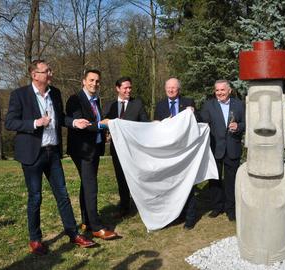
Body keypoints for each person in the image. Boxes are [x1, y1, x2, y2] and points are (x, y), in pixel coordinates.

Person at [5, 60, 96, 255]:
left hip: (52, 152)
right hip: (32, 154)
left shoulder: (55, 93)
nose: (50, 73)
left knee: (62, 195)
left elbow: (60, 117)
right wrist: (36, 123)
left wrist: (74, 122)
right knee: (35, 197)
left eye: (50, 70)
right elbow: (10, 122)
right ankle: (35, 239)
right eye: (46, 71)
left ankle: (73, 233)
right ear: (34, 74)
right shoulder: (19, 95)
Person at [66, 69, 118, 240]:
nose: (94, 83)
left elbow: (94, 123)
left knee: (86, 185)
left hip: (94, 148)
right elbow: (83, 124)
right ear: (83, 81)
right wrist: (102, 125)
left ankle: (86, 221)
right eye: (91, 80)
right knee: (91, 186)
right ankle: (96, 227)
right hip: (82, 150)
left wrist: (104, 131)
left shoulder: (96, 100)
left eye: (97, 81)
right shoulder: (75, 99)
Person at [154, 78, 197, 230]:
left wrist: (192, 113)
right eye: (168, 88)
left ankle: (190, 217)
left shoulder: (188, 102)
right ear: (165, 89)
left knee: (187, 183)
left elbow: (196, 124)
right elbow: (156, 127)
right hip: (168, 153)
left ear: (179, 89)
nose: (171, 90)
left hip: (185, 152)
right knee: (171, 185)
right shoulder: (159, 105)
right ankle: (175, 215)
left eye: (174, 88)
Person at [103, 76, 149, 218]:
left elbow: (145, 124)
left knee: (137, 176)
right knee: (120, 177)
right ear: (118, 89)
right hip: (117, 149)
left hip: (134, 148)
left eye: (130, 87)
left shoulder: (138, 104)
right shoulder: (109, 105)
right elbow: (102, 123)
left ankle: (142, 204)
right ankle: (124, 206)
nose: (128, 90)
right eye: (125, 88)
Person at [200, 80, 245, 221]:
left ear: (229, 90)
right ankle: (217, 206)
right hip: (215, 148)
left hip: (233, 147)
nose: (219, 93)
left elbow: (246, 122)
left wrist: (238, 126)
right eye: (217, 90)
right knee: (215, 180)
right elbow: (202, 121)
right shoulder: (209, 105)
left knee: (231, 180)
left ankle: (231, 209)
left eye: (222, 90)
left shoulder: (239, 104)